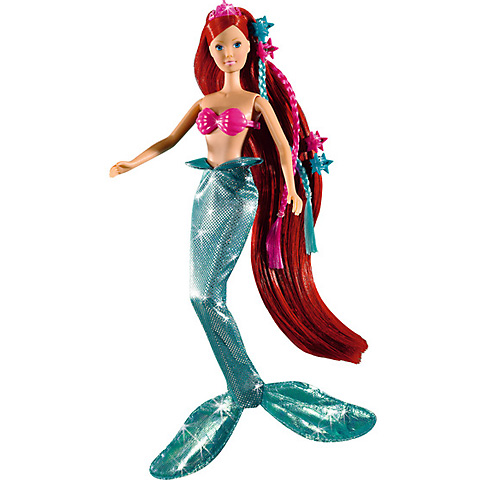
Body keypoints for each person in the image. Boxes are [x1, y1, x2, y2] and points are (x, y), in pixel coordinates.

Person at [110, 2, 375, 478]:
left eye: (236, 43)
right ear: (209, 52)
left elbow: (283, 148)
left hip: (237, 192)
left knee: (203, 294)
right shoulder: (204, 104)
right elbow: (169, 141)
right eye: (219, 46)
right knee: (202, 294)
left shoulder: (256, 102)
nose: (228, 53)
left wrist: (293, 188)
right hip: (205, 193)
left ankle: (246, 388)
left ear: (250, 46)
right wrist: (132, 161)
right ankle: (245, 385)